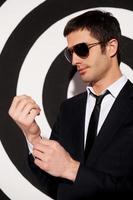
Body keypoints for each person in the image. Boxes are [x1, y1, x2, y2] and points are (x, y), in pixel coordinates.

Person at [8, 10, 133, 199]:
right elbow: (53, 184)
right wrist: (33, 137)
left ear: (111, 47)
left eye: (82, 49)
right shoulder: (69, 109)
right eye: (70, 53)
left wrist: (72, 169)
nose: (75, 60)